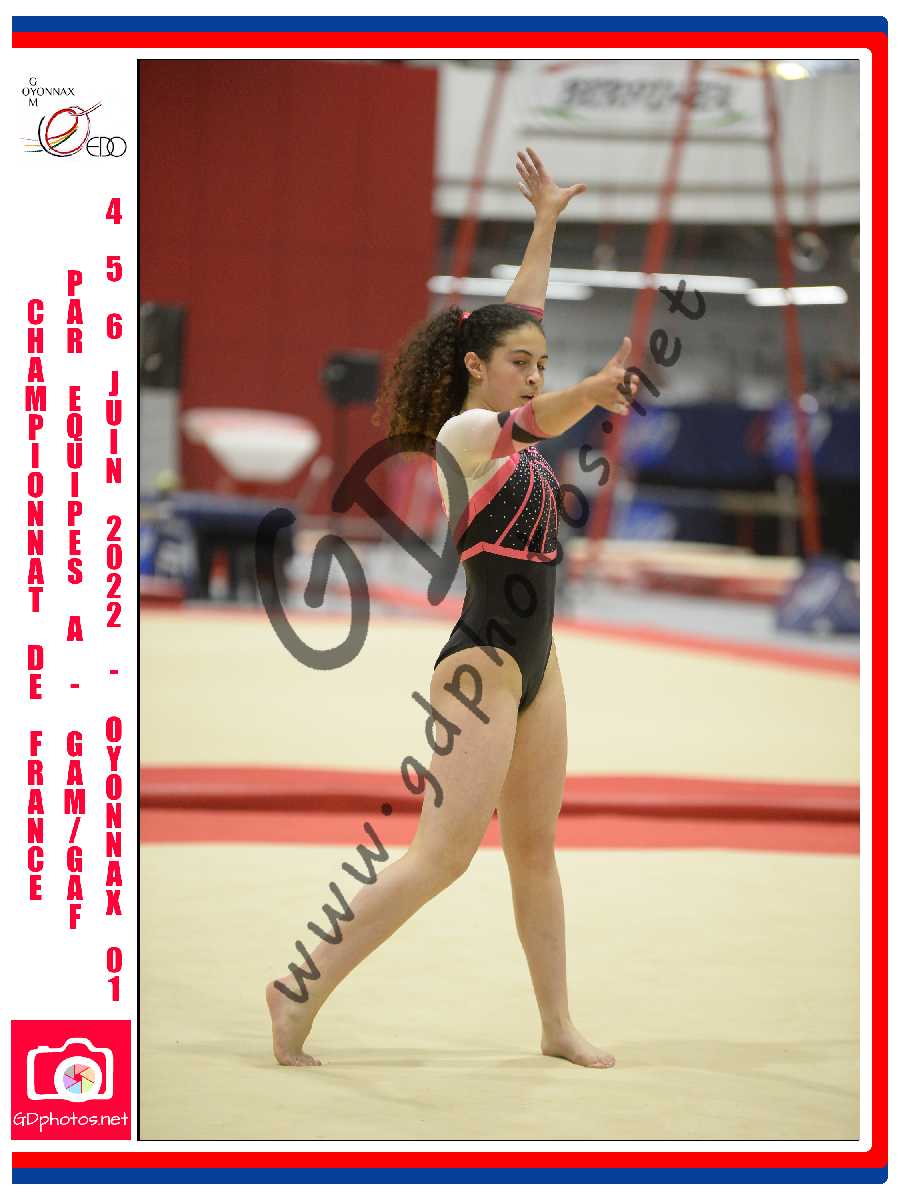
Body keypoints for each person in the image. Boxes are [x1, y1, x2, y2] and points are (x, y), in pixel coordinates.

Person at [267, 148, 638, 1068]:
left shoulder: (504, 398)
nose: (533, 373)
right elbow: (533, 415)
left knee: (535, 852)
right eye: (519, 364)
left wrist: (544, 223)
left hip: (539, 665)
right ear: (477, 367)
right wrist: (590, 392)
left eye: (541, 364)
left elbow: (523, 314)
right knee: (441, 857)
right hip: (482, 665)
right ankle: (296, 988)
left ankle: (556, 1024)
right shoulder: (465, 432)